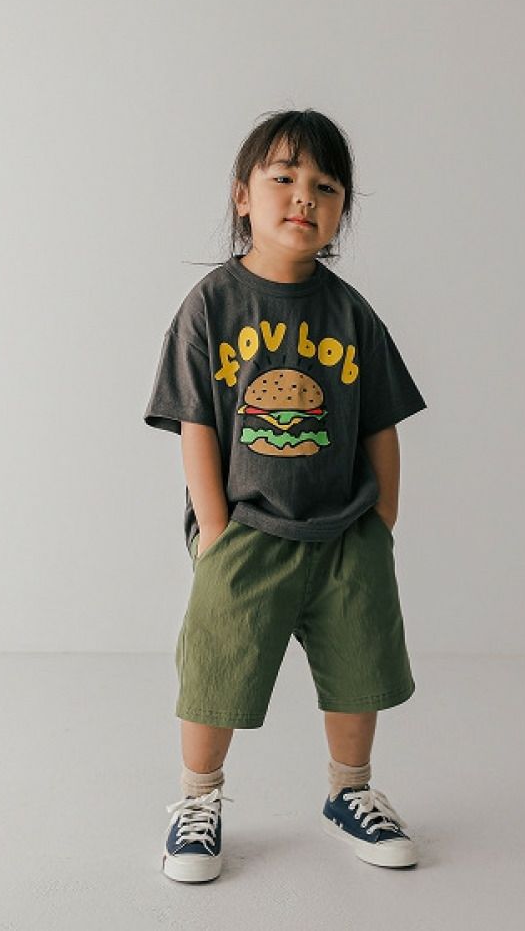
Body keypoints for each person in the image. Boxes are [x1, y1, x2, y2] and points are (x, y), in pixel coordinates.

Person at [143, 108, 428, 882]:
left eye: (326, 186)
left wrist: (381, 522)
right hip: (247, 529)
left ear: (341, 211)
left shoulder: (350, 312)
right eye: (284, 177)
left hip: (345, 531)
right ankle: (197, 801)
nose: (305, 195)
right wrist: (215, 528)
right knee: (216, 663)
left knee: (359, 662)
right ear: (243, 196)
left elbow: (380, 423)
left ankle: (350, 791)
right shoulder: (212, 305)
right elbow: (196, 422)